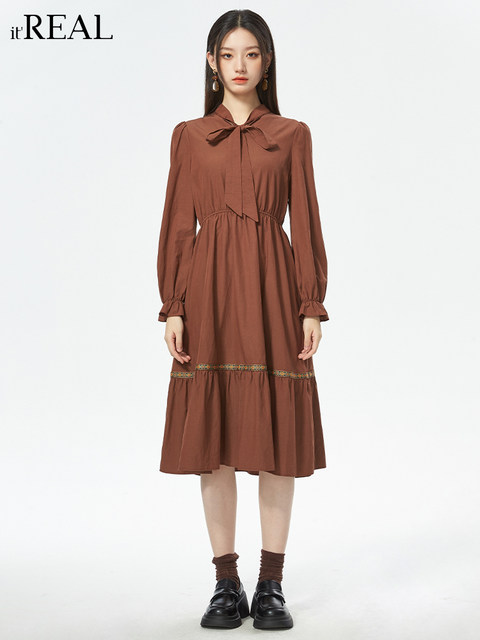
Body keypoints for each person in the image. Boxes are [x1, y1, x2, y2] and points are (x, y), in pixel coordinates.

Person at [156, 9, 329, 631]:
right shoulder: (188, 136)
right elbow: (178, 224)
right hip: (208, 292)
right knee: (215, 445)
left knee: (277, 442)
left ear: (267, 61)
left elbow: (305, 221)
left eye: (251, 54)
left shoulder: (292, 134)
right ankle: (225, 583)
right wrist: (174, 305)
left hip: (273, 288)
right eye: (228, 54)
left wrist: (311, 303)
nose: (239, 66)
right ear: (211, 62)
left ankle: (271, 584)